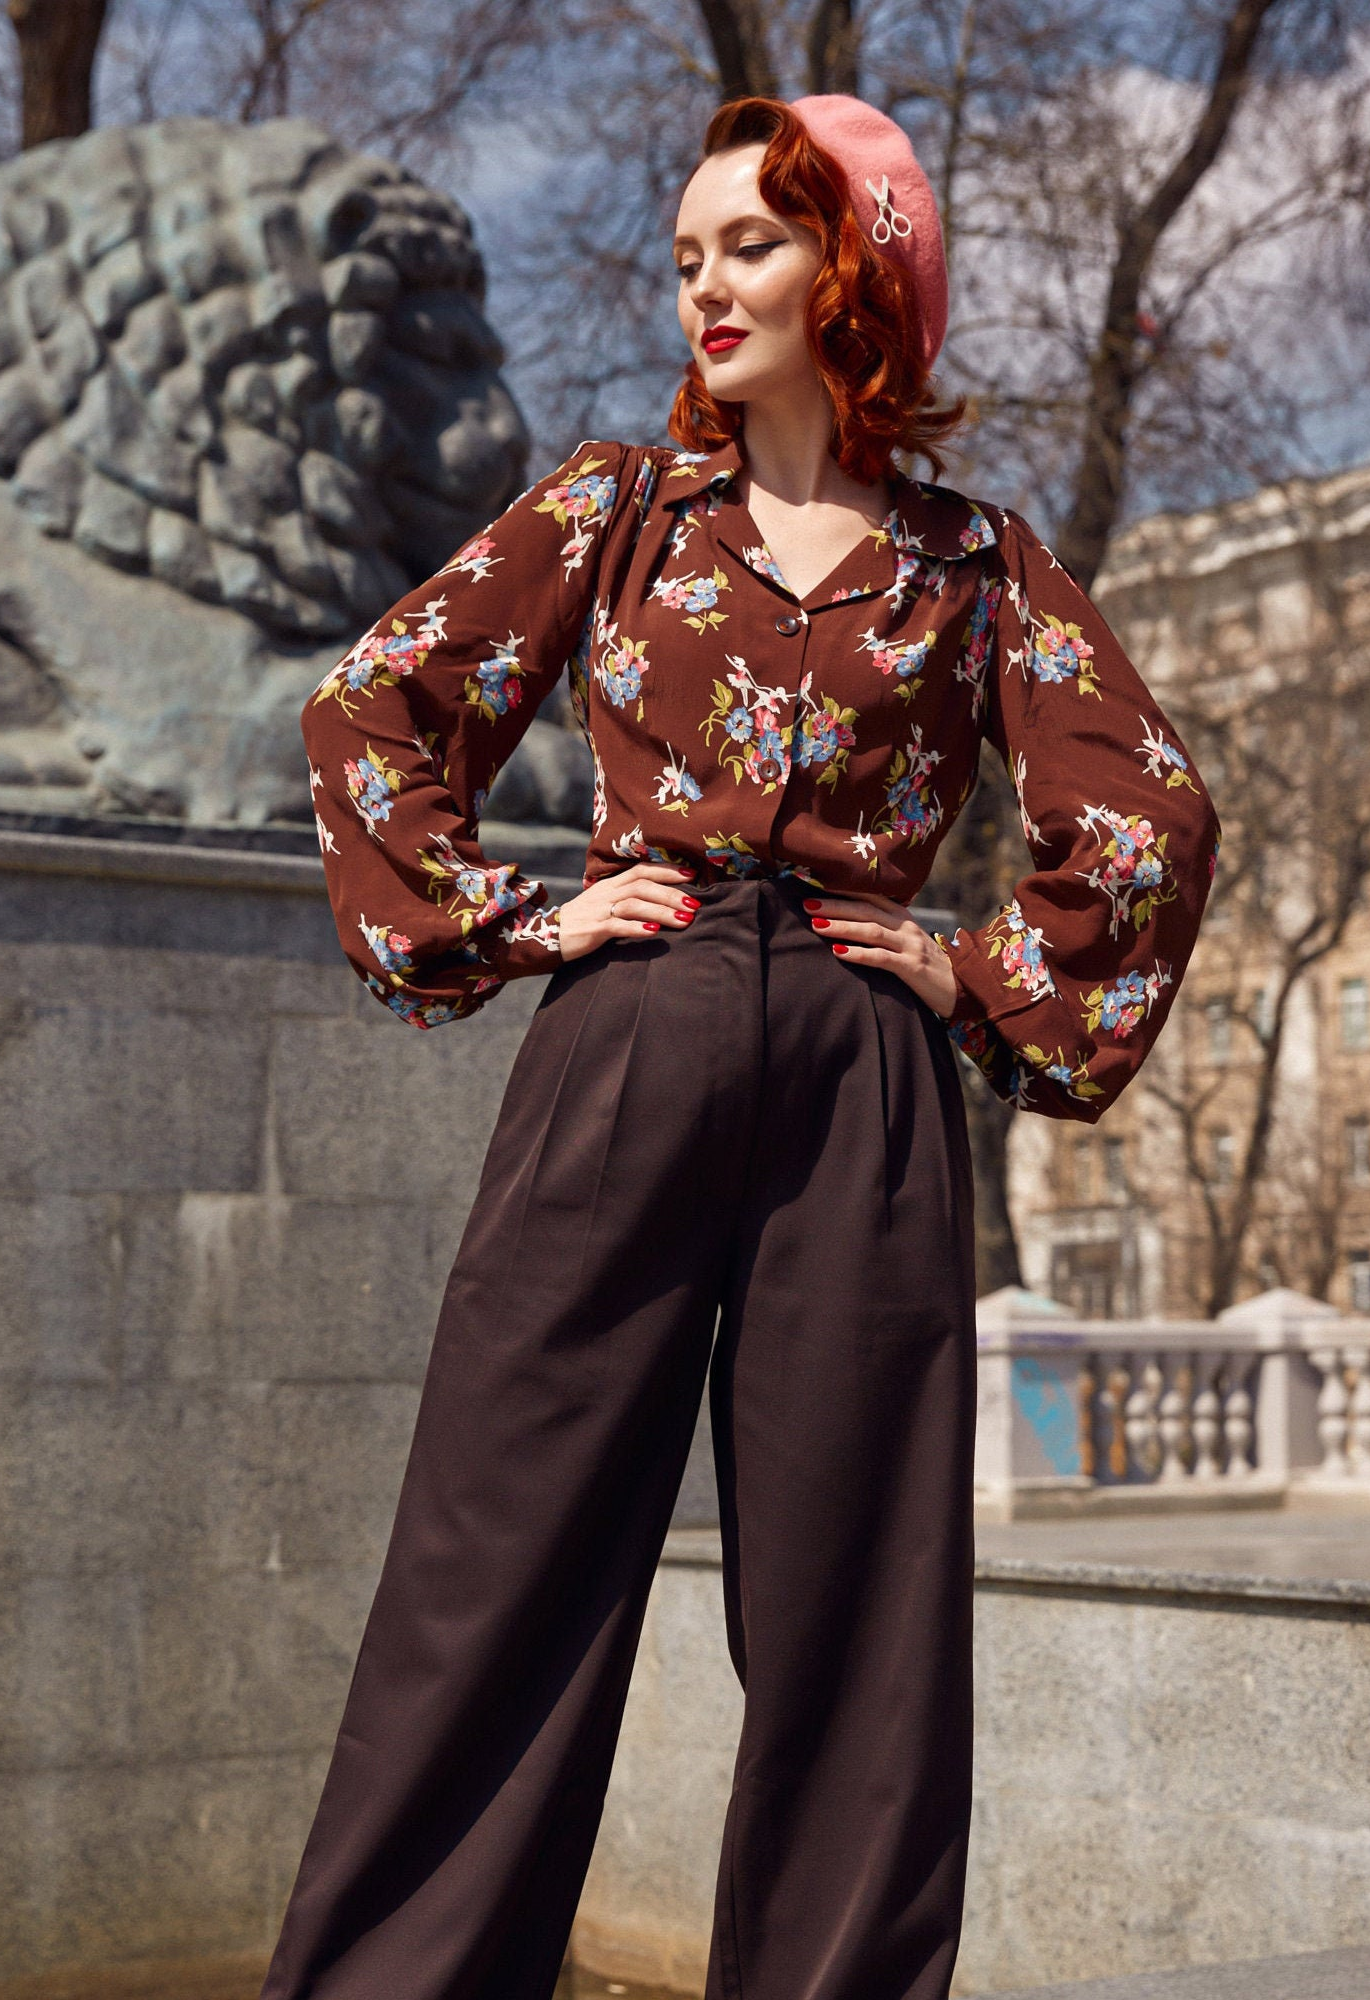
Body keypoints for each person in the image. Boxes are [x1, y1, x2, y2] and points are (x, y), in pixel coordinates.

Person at [261, 92, 1219, 2000]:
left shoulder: (974, 561)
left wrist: (969, 976)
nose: (704, 283)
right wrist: (523, 917)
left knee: (859, 1618)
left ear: (854, 267)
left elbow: (1153, 813)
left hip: (863, 1089)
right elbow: (373, 709)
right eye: (691, 252)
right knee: (494, 1571)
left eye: (750, 247)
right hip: (631, 1037)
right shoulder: (616, 508)